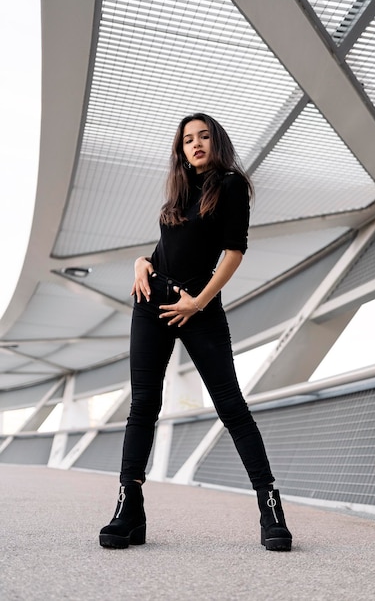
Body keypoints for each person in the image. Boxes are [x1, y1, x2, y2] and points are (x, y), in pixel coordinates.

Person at [99, 113, 292, 551]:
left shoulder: (230, 185)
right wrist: (139, 263)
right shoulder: (179, 192)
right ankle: (129, 508)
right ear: (180, 149)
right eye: (188, 139)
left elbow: (234, 251)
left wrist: (198, 302)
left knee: (231, 405)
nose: (196, 143)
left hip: (198, 308)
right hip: (152, 305)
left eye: (204, 136)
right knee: (143, 404)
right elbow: (164, 251)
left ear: (216, 141)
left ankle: (270, 507)